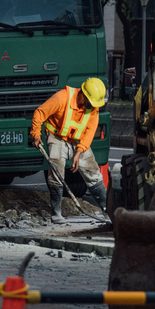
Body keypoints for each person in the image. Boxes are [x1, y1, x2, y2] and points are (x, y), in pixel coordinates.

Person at [31, 78, 108, 224]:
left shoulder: (93, 107)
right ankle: (56, 213)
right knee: (57, 171)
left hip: (77, 140)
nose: (92, 106)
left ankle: (107, 210)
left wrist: (79, 152)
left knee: (92, 172)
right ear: (83, 95)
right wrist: (36, 135)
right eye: (90, 103)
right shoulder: (62, 98)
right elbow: (40, 112)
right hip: (56, 137)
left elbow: (90, 132)